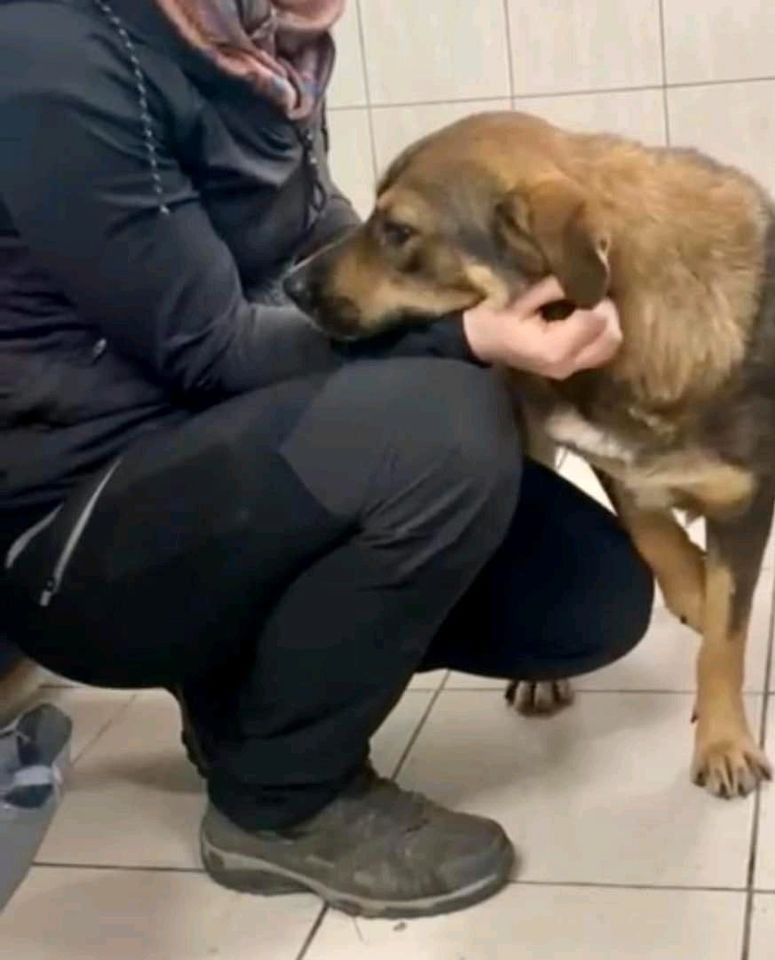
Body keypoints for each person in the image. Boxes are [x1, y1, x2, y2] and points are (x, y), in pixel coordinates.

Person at [0, 0, 654, 919]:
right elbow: (211, 348)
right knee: (444, 424)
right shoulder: (51, 47)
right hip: (74, 538)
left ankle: (237, 701)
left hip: (224, 463)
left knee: (582, 597)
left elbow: (319, 245)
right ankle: (278, 803)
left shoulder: (258, 41)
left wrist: (490, 299)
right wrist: (468, 336)